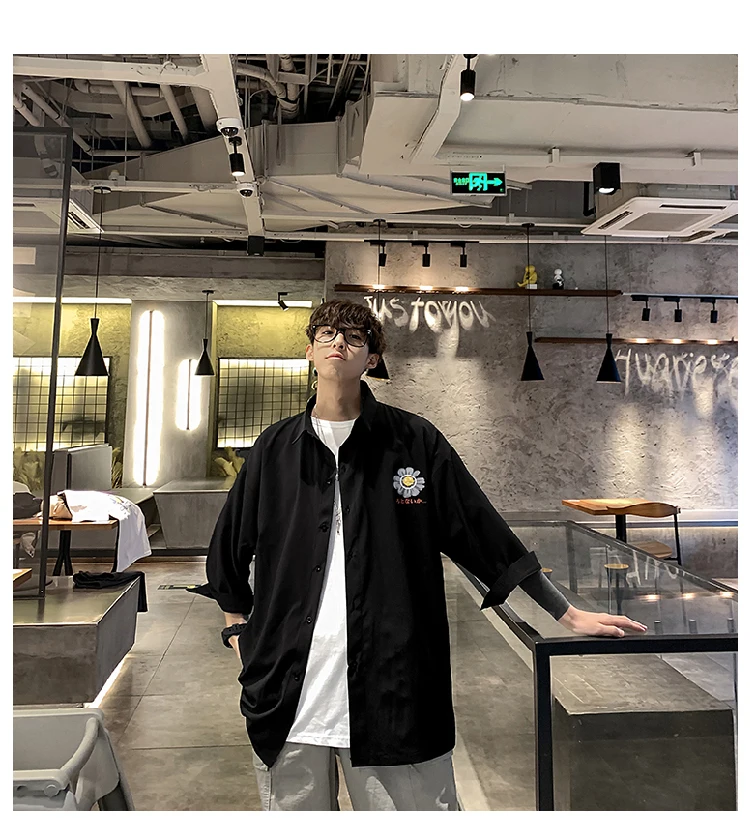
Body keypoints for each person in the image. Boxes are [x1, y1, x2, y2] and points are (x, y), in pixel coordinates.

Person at [195, 299, 647, 811]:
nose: (339, 341)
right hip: (288, 694)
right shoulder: (275, 449)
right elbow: (229, 545)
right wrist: (237, 627)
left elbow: (483, 533)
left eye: (355, 336)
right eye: (326, 333)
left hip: (395, 689)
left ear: (372, 359)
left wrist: (565, 612)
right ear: (309, 352)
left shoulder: (413, 442)